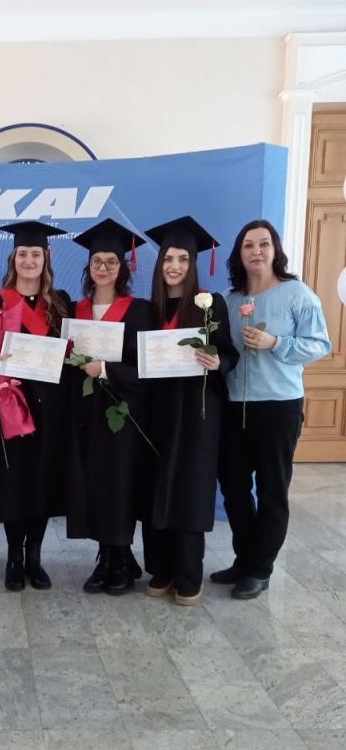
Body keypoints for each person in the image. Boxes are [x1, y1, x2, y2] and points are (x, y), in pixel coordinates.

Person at [213, 219, 330, 600]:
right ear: (239, 253)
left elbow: (319, 344)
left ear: (275, 250)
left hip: (278, 406)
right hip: (234, 406)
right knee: (233, 488)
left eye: (264, 244)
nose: (257, 251)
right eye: (249, 245)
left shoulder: (297, 294)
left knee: (271, 490)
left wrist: (275, 342)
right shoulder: (228, 300)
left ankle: (260, 568)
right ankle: (245, 558)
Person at [141, 216, 239, 606]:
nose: (174, 266)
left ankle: (188, 573)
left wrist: (217, 363)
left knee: (190, 489)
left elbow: (229, 354)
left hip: (197, 413)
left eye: (183, 258)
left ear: (193, 264)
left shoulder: (210, 304)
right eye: (168, 258)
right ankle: (161, 570)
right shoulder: (149, 308)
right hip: (155, 413)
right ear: (159, 263)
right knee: (155, 487)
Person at [0, 220, 69, 591]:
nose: (29, 260)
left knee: (42, 479)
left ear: (46, 258)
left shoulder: (59, 304)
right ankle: (14, 556)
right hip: (9, 404)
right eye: (23, 254)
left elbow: (69, 353)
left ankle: (34, 557)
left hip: (50, 407)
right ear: (13, 258)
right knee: (11, 480)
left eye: (35, 254)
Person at [65, 219, 154, 595]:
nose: (103, 267)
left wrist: (105, 370)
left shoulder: (139, 310)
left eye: (111, 262)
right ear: (88, 267)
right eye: (97, 261)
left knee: (119, 483)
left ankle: (118, 558)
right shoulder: (75, 310)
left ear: (122, 267)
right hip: (86, 414)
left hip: (123, 413)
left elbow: (146, 368)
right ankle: (110, 555)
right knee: (95, 484)